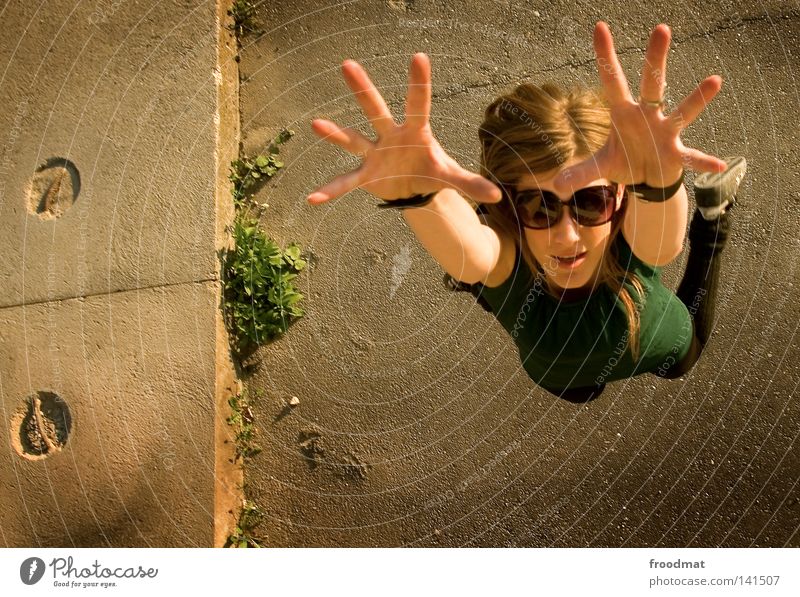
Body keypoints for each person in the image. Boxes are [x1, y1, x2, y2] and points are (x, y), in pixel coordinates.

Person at [306, 21, 746, 403]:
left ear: (621, 197)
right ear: (508, 205)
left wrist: (658, 182)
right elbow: (473, 253)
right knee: (580, 392)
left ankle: (713, 220)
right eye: (538, 206)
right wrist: (419, 196)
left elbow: (661, 244)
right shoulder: (502, 254)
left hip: (658, 340)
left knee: (683, 362)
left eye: (590, 202)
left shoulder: (628, 227)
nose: (567, 236)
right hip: (555, 369)